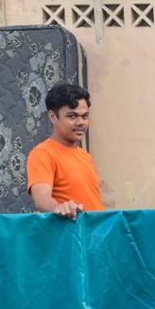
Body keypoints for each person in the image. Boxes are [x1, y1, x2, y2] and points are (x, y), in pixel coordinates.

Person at [26, 83, 104, 220]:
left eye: (85, 116)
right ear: (53, 117)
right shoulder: (42, 153)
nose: (81, 122)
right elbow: (42, 200)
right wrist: (60, 208)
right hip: (71, 236)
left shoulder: (85, 156)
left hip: (95, 235)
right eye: (72, 116)